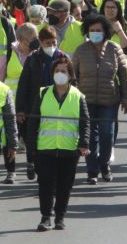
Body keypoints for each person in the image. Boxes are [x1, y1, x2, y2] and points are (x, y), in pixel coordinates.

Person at [69, 14, 127, 183]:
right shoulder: (81, 50)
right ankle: (92, 170)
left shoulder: (114, 49)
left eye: (99, 30)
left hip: (109, 101)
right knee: (89, 137)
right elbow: (72, 77)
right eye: (92, 30)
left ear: (105, 32)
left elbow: (124, 76)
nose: (95, 33)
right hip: (86, 100)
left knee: (107, 134)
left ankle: (104, 164)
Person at [33, 53, 89, 230]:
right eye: (57, 70)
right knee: (46, 184)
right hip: (45, 148)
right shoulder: (42, 93)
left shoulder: (78, 96)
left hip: (69, 149)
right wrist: (31, 147)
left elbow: (85, 122)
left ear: (70, 74)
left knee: (65, 185)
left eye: (63, 71)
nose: (60, 73)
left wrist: (84, 143)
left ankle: (60, 216)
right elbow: (33, 122)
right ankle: (45, 217)